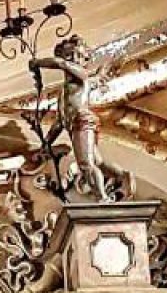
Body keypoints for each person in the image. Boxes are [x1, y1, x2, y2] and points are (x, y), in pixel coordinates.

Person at [30, 35, 133, 201]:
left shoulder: (82, 77)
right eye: (68, 55)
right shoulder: (64, 92)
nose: (72, 60)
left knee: (86, 165)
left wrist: (38, 63)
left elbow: (61, 64)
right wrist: (47, 141)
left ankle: (102, 197)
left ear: (83, 59)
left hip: (81, 121)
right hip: (75, 124)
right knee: (97, 162)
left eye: (76, 55)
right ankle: (123, 177)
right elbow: (60, 121)